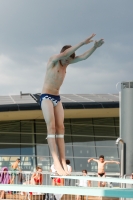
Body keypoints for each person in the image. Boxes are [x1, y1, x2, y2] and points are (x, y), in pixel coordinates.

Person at [40, 34, 104, 176]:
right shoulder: (54, 59)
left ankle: (63, 161)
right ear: (63, 55)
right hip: (46, 97)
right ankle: (56, 162)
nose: (67, 62)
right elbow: (65, 54)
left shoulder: (67, 62)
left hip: (57, 97)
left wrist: (94, 47)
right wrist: (82, 42)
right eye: (67, 59)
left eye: (70, 60)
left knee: (61, 127)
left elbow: (83, 57)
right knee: (51, 127)